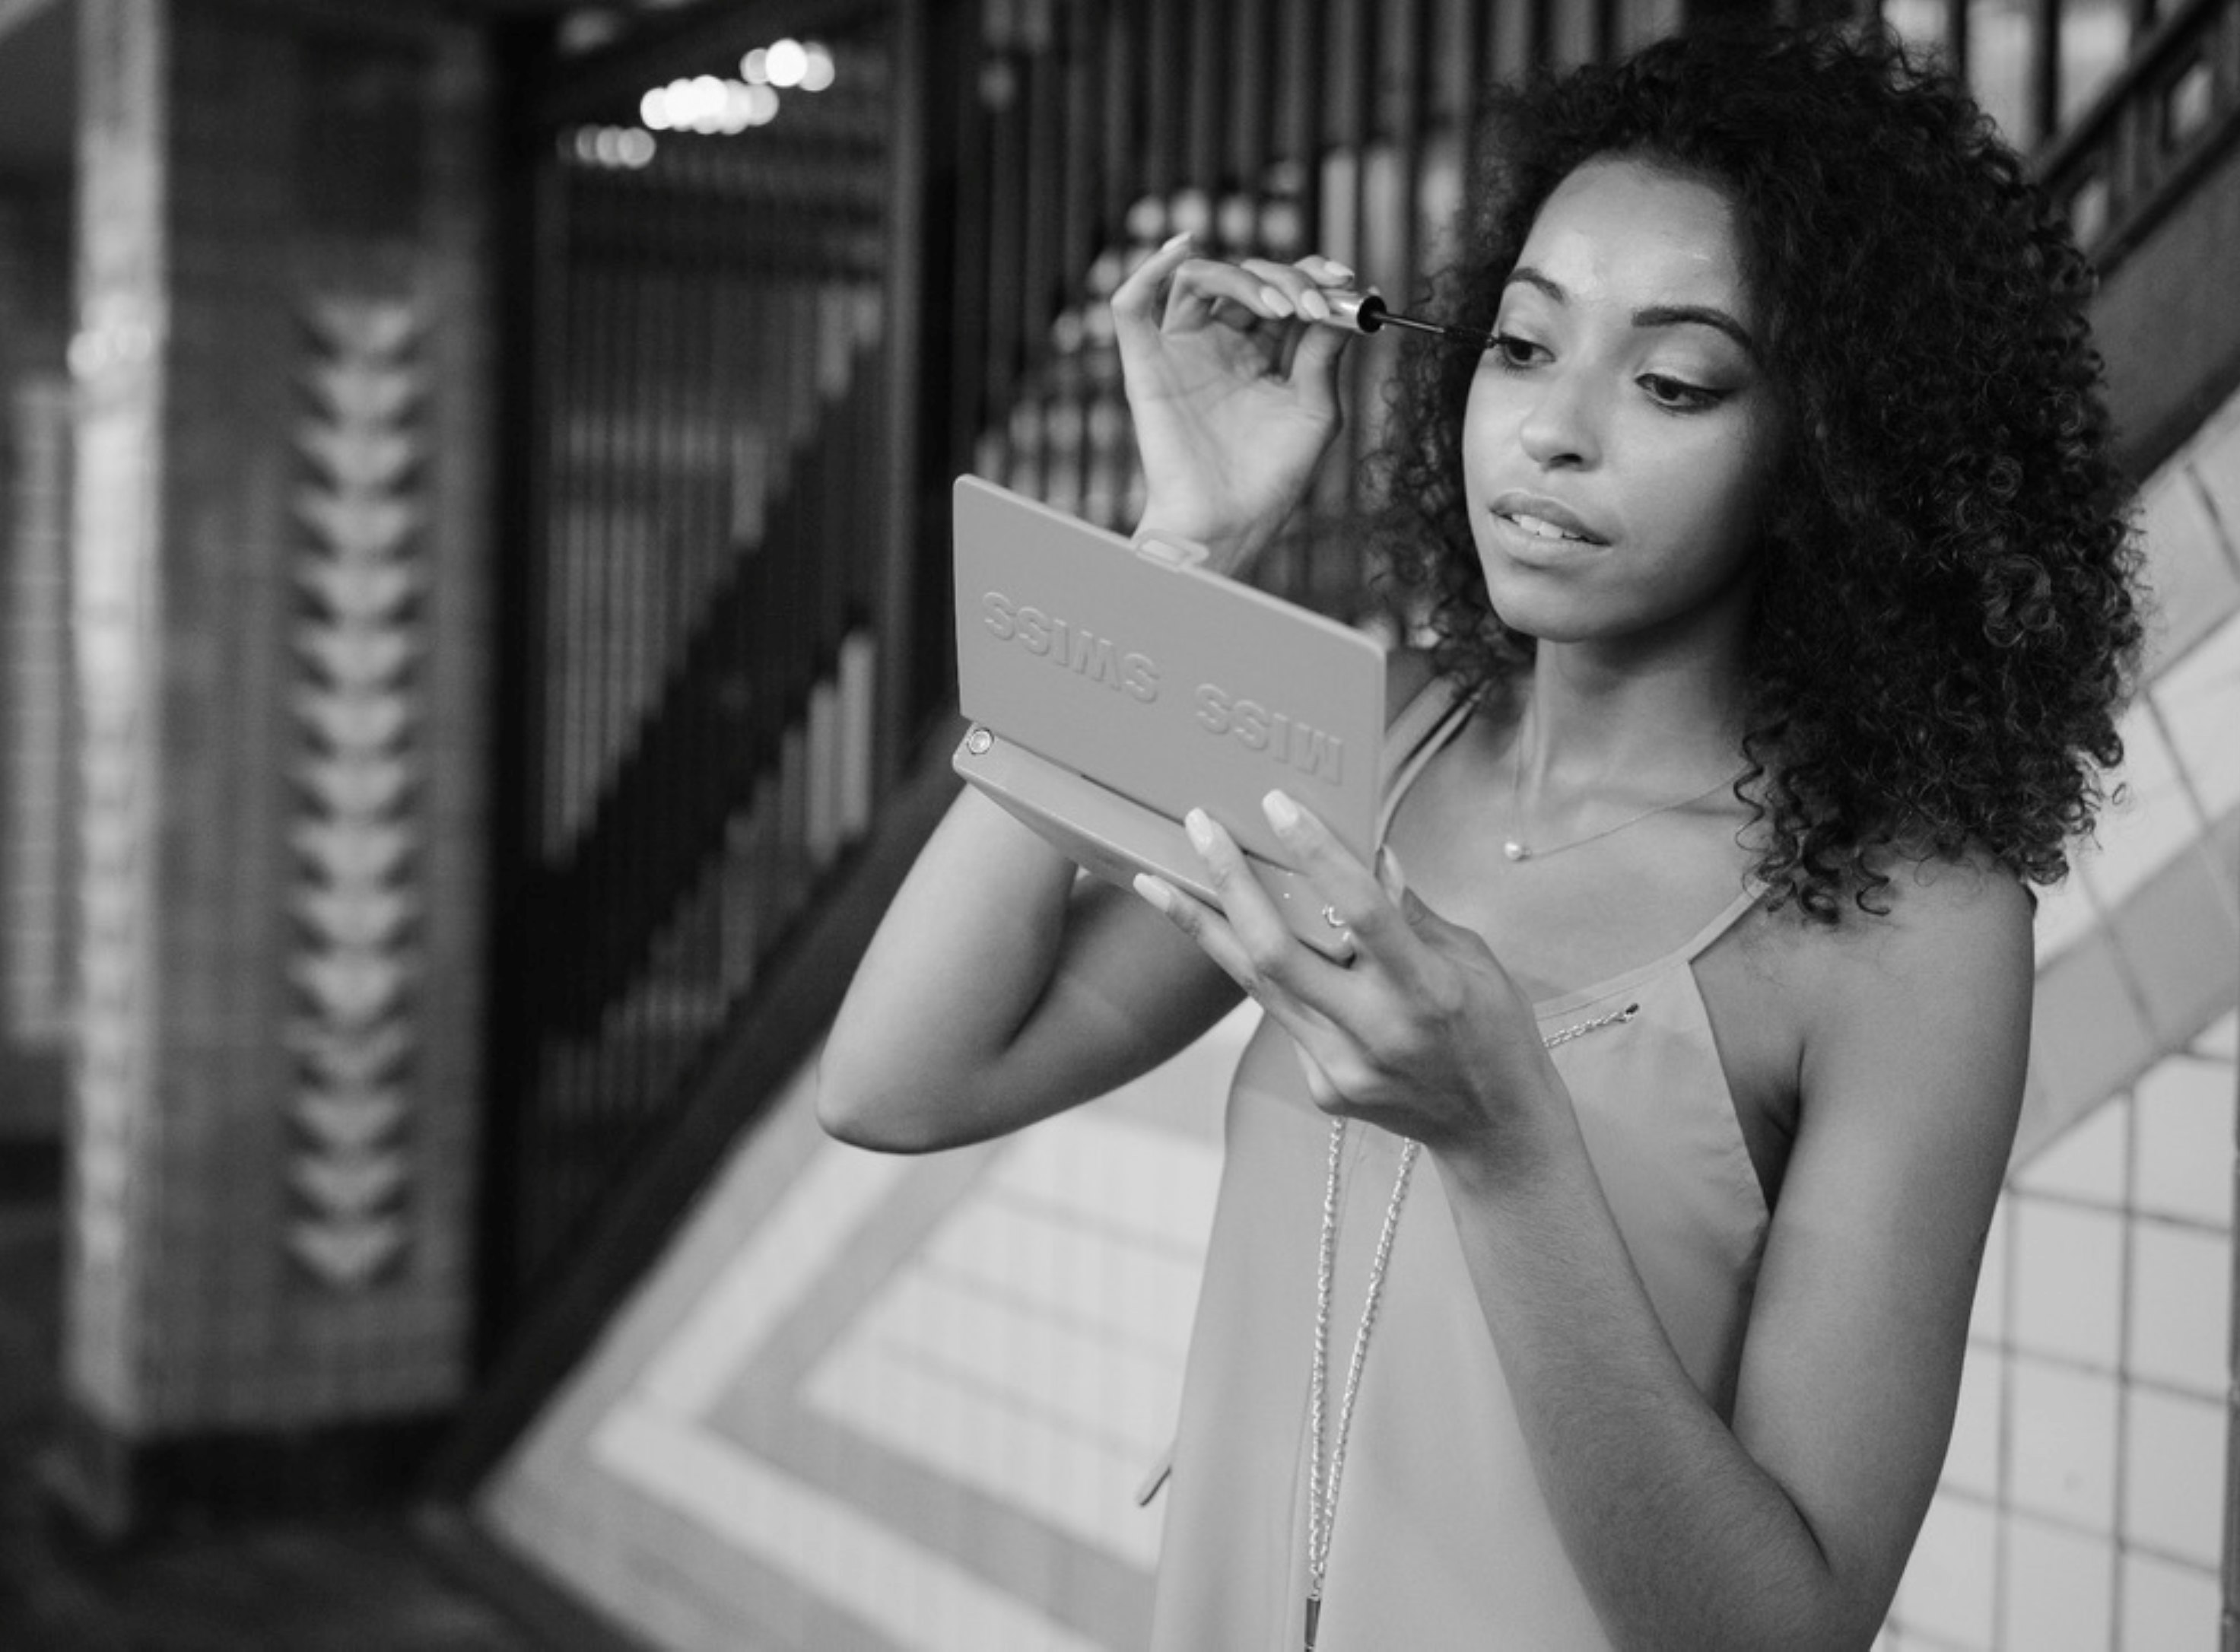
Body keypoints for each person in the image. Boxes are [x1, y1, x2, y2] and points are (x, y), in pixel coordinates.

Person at [818, 22, 2140, 1651]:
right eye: (1523, 347)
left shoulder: (1910, 929)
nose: (1553, 430)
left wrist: (1508, 1146)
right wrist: (1182, 548)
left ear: (1836, 459)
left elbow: (1780, 1633)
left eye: (1672, 381)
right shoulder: (1372, 743)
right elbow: (899, 1081)